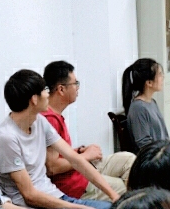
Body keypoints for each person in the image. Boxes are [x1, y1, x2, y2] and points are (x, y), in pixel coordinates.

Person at [0, 69, 118, 209]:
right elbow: (30, 195)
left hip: (56, 198)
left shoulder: (39, 121)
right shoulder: (6, 138)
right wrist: (78, 207)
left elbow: (76, 160)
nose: (48, 94)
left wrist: (113, 195)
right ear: (34, 99)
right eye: (45, 90)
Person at [43, 60, 136, 199]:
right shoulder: (50, 119)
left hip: (80, 169)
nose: (77, 88)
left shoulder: (55, 115)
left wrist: (79, 151)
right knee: (124, 188)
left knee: (129, 160)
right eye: (75, 83)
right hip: (74, 185)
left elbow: (59, 154)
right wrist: (86, 156)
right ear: (61, 89)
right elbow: (52, 167)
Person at [121, 58, 169, 152]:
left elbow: (164, 137)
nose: (163, 77)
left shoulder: (152, 102)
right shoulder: (138, 108)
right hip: (154, 158)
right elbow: (145, 146)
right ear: (149, 83)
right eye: (159, 74)